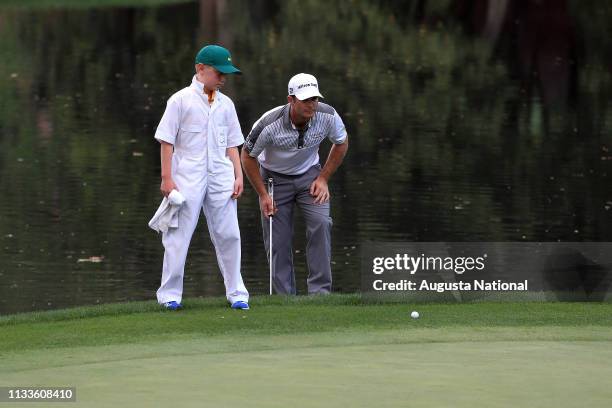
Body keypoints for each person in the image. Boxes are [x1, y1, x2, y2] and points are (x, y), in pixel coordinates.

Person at [152, 44, 249, 310]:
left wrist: (238, 176)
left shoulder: (226, 104)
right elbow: (166, 141)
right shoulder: (180, 100)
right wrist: (166, 178)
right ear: (200, 69)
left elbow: (232, 144)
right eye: (219, 72)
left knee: (229, 233)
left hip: (221, 174)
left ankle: (237, 292)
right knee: (178, 234)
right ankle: (170, 295)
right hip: (187, 174)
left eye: (225, 74)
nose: (223, 78)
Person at [241, 73, 349, 295]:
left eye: (315, 99)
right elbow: (247, 156)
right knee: (278, 241)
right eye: (306, 100)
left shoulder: (327, 115)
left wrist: (323, 178)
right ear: (291, 99)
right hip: (273, 179)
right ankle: (284, 298)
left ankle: (320, 295)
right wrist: (262, 194)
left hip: (310, 176)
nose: (312, 105)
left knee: (321, 224)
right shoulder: (269, 124)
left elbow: (341, 142)